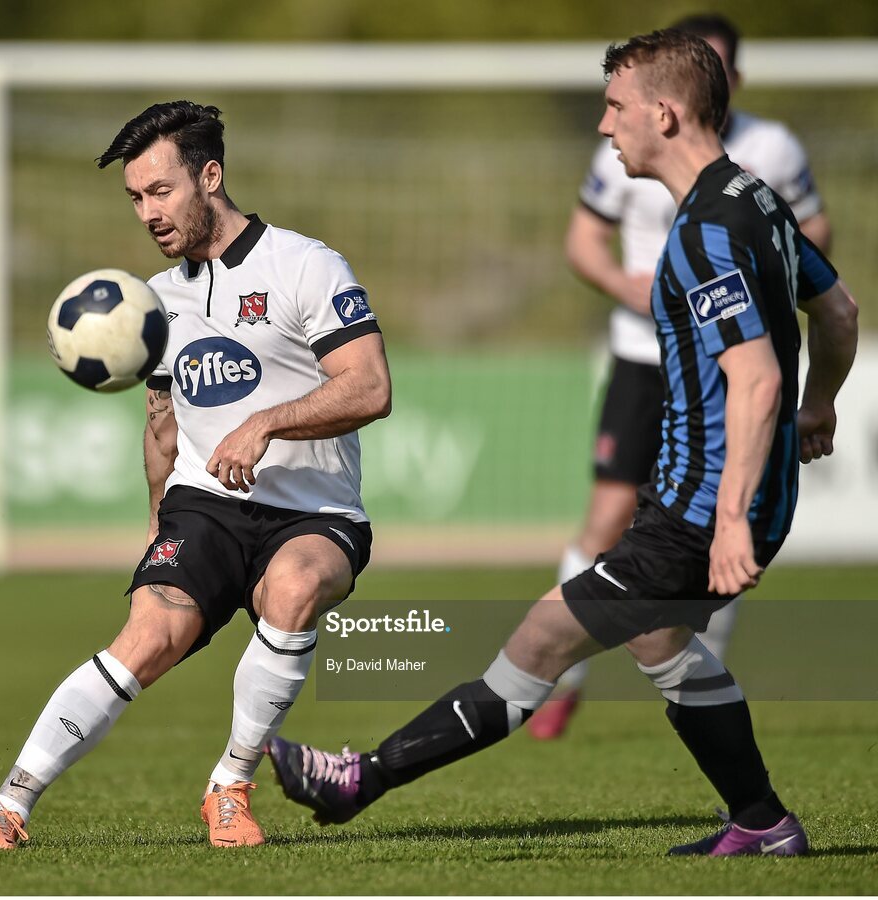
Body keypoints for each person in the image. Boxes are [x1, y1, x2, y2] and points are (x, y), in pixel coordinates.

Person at [268, 29, 857, 857]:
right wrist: (822, 406)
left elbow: (757, 379)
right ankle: (763, 823)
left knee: (540, 642)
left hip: (699, 511)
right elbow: (839, 313)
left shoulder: (703, 235)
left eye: (616, 106)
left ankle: (360, 778)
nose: (603, 126)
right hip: (711, 499)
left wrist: (728, 519)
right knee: (657, 639)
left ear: (667, 111)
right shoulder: (756, 198)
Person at [0, 101, 392, 850]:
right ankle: (8, 804)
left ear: (209, 176)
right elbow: (161, 424)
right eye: (135, 198)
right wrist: (160, 520)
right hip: (206, 507)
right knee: (149, 631)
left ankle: (229, 786)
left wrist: (265, 423)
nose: (147, 213)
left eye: (160, 191)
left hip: (315, 512)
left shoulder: (304, 265)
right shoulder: (153, 303)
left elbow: (370, 387)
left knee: (291, 590)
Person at [532, 13, 834, 740]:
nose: (608, 123)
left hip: (726, 359)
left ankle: (691, 683)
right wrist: (621, 283)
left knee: (712, 529)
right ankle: (560, 677)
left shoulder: (769, 153)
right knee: (608, 516)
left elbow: (816, 240)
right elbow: (584, 240)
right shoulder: (626, 137)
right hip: (643, 354)